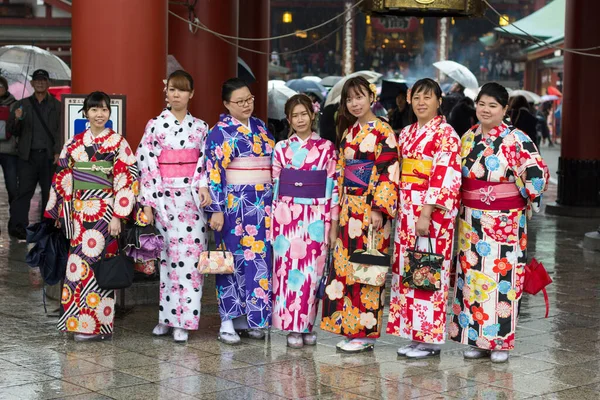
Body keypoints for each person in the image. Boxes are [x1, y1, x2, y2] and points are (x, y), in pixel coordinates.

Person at [450, 83, 549, 363]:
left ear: (505, 110)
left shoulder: (517, 139)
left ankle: (500, 342)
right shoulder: (468, 137)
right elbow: (456, 178)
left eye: (493, 105)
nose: (485, 110)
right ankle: (477, 339)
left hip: (505, 221)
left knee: (502, 279)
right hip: (471, 220)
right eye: (482, 104)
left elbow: (536, 175)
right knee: (472, 279)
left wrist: (526, 199)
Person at [44, 91, 138, 341]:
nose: (100, 114)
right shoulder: (74, 144)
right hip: (78, 215)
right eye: (94, 109)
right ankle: (78, 322)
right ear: (85, 112)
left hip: (105, 213)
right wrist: (60, 213)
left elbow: (127, 178)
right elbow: (63, 177)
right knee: (77, 267)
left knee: (101, 268)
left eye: (104, 109)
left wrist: (118, 214)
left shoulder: (118, 142)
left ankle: (99, 325)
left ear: (109, 113)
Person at [320, 76, 399, 353]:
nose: (355, 103)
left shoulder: (383, 131)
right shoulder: (349, 132)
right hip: (348, 207)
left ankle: (365, 333)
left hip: (370, 209)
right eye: (349, 99)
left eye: (359, 97)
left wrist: (379, 208)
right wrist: (338, 209)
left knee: (367, 268)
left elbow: (388, 171)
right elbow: (342, 172)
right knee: (345, 270)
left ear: (371, 97)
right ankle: (350, 328)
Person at [386, 78, 462, 358]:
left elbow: (445, 177)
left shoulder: (447, 134)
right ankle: (416, 334)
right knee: (410, 272)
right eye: (416, 97)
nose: (421, 102)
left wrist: (427, 213)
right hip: (407, 209)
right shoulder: (405, 133)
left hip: (431, 214)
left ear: (439, 101)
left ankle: (430, 339)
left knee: (428, 270)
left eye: (427, 97)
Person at [136, 70, 211, 343]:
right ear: (165, 93)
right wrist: (148, 203)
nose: (176, 94)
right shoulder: (155, 126)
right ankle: (166, 318)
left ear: (192, 93)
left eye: (181, 90)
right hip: (165, 200)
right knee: (167, 259)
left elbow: (207, 162)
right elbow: (146, 163)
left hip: (192, 201)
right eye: (171, 89)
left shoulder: (202, 128)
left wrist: (203, 186)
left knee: (191, 261)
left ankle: (185, 320)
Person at [205, 78, 275, 345]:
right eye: (240, 101)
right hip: (234, 207)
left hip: (262, 206)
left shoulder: (260, 127)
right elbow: (213, 173)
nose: (247, 105)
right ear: (226, 104)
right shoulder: (220, 132)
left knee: (259, 262)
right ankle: (226, 320)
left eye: (250, 99)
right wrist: (216, 209)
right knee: (231, 262)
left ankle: (252, 319)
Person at [271, 94, 339, 348]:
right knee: (288, 273)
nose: (300, 119)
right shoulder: (281, 148)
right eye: (294, 115)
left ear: (312, 115)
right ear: (288, 119)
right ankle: (291, 326)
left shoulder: (327, 148)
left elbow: (332, 186)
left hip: (316, 216)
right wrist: (273, 224)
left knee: (313, 272)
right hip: (286, 217)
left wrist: (332, 221)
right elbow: (275, 186)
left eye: (304, 114)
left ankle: (307, 324)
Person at [7, 69, 62, 240]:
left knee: (48, 193)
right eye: (37, 80)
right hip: (27, 157)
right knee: (23, 192)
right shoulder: (21, 105)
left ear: (48, 83)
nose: (40, 83)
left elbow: (61, 130)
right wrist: (17, 119)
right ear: (31, 83)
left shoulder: (57, 105)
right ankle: (18, 227)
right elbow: (11, 131)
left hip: (48, 157)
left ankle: (46, 227)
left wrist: (58, 151)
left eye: (43, 80)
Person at [0, 76, 19, 229]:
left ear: (6, 88)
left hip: (10, 152)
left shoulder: (15, 105)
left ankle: (14, 223)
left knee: (13, 188)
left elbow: (19, 130)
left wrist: (18, 119)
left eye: (1, 86)